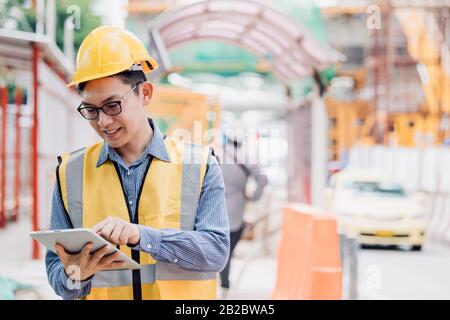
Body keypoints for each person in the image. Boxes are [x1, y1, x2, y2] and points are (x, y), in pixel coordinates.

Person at [45, 26, 230, 300]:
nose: (103, 122)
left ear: (145, 93)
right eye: (91, 110)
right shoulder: (70, 172)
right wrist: (77, 275)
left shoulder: (199, 163)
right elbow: (60, 280)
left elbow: (215, 252)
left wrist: (142, 236)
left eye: (112, 105)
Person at [217, 133, 268, 294]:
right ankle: (225, 281)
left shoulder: (216, 153)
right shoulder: (245, 156)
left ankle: (221, 280)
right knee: (229, 248)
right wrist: (254, 197)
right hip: (236, 209)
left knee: (218, 247)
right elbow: (263, 178)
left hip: (215, 208)